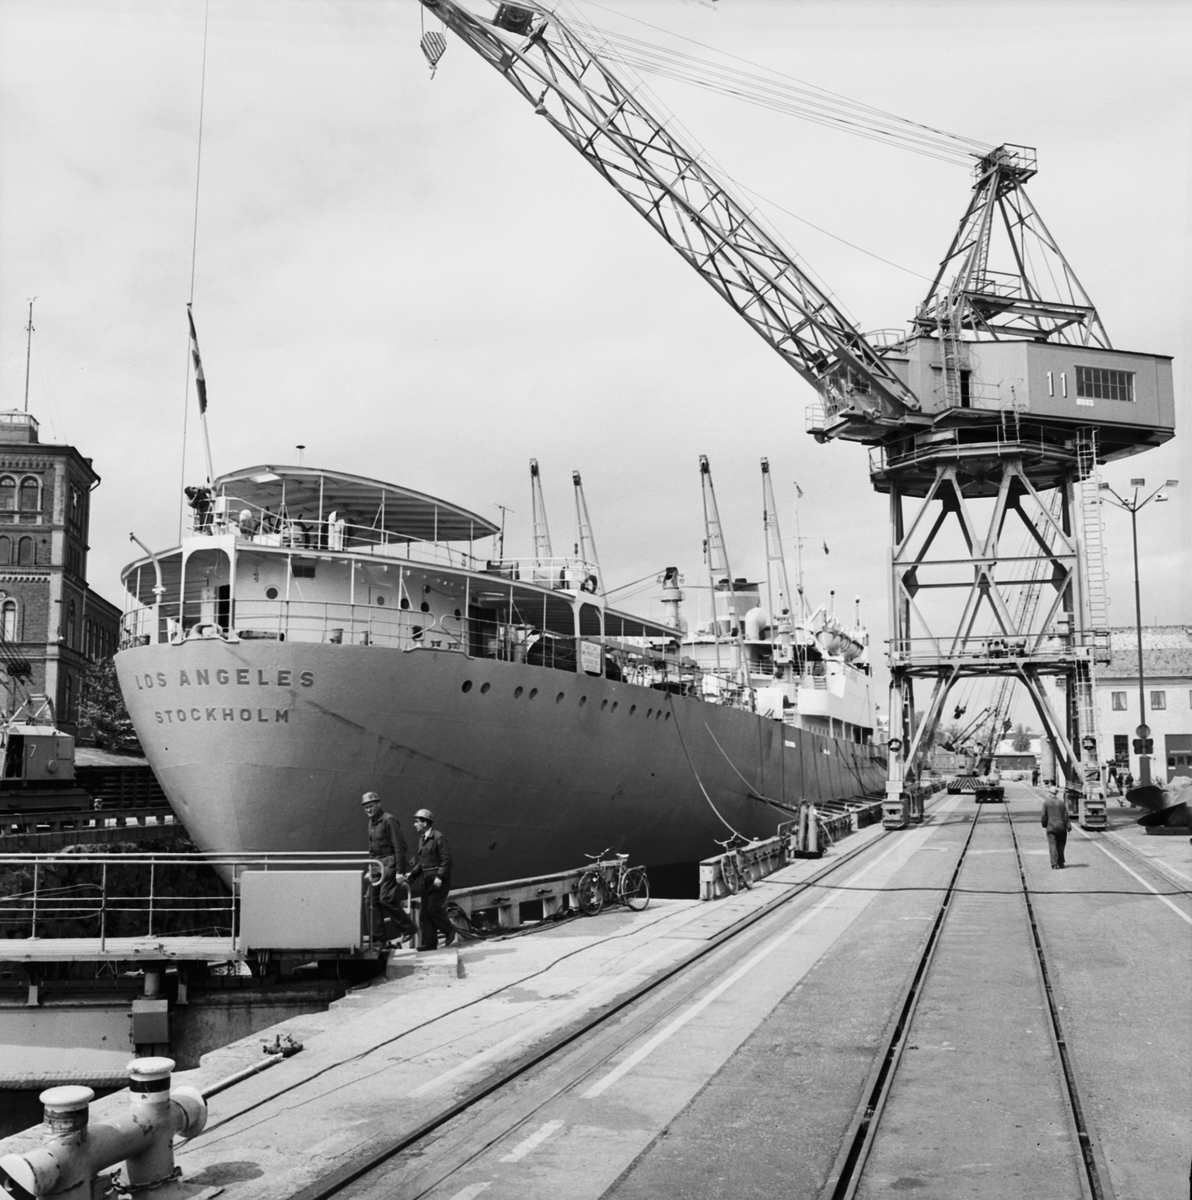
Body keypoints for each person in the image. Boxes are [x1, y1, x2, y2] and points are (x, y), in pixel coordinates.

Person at [362, 791, 417, 947]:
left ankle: (408, 928)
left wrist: (400, 872)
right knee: (370, 900)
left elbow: (400, 846)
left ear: (378, 804)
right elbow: (372, 850)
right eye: (366, 807)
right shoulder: (371, 823)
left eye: (371, 806)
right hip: (377, 866)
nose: (368, 809)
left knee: (386, 898)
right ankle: (378, 938)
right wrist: (370, 869)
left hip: (390, 865)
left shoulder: (388, 820)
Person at [407, 807, 455, 950]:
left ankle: (449, 929)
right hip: (426, 880)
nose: (414, 824)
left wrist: (440, 876)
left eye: (417, 822)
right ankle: (430, 943)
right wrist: (412, 875)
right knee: (425, 913)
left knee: (433, 907)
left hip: (438, 881)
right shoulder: (422, 839)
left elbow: (447, 860)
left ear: (425, 823)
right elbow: (422, 862)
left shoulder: (438, 837)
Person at [1041, 785, 1071, 870]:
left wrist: (1044, 824)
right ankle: (1061, 863)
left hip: (1051, 827)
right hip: (1061, 827)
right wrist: (1068, 827)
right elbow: (1065, 816)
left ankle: (1054, 864)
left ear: (1050, 793)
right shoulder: (1061, 803)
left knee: (1052, 845)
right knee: (1061, 845)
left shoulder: (1046, 803)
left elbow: (1044, 816)